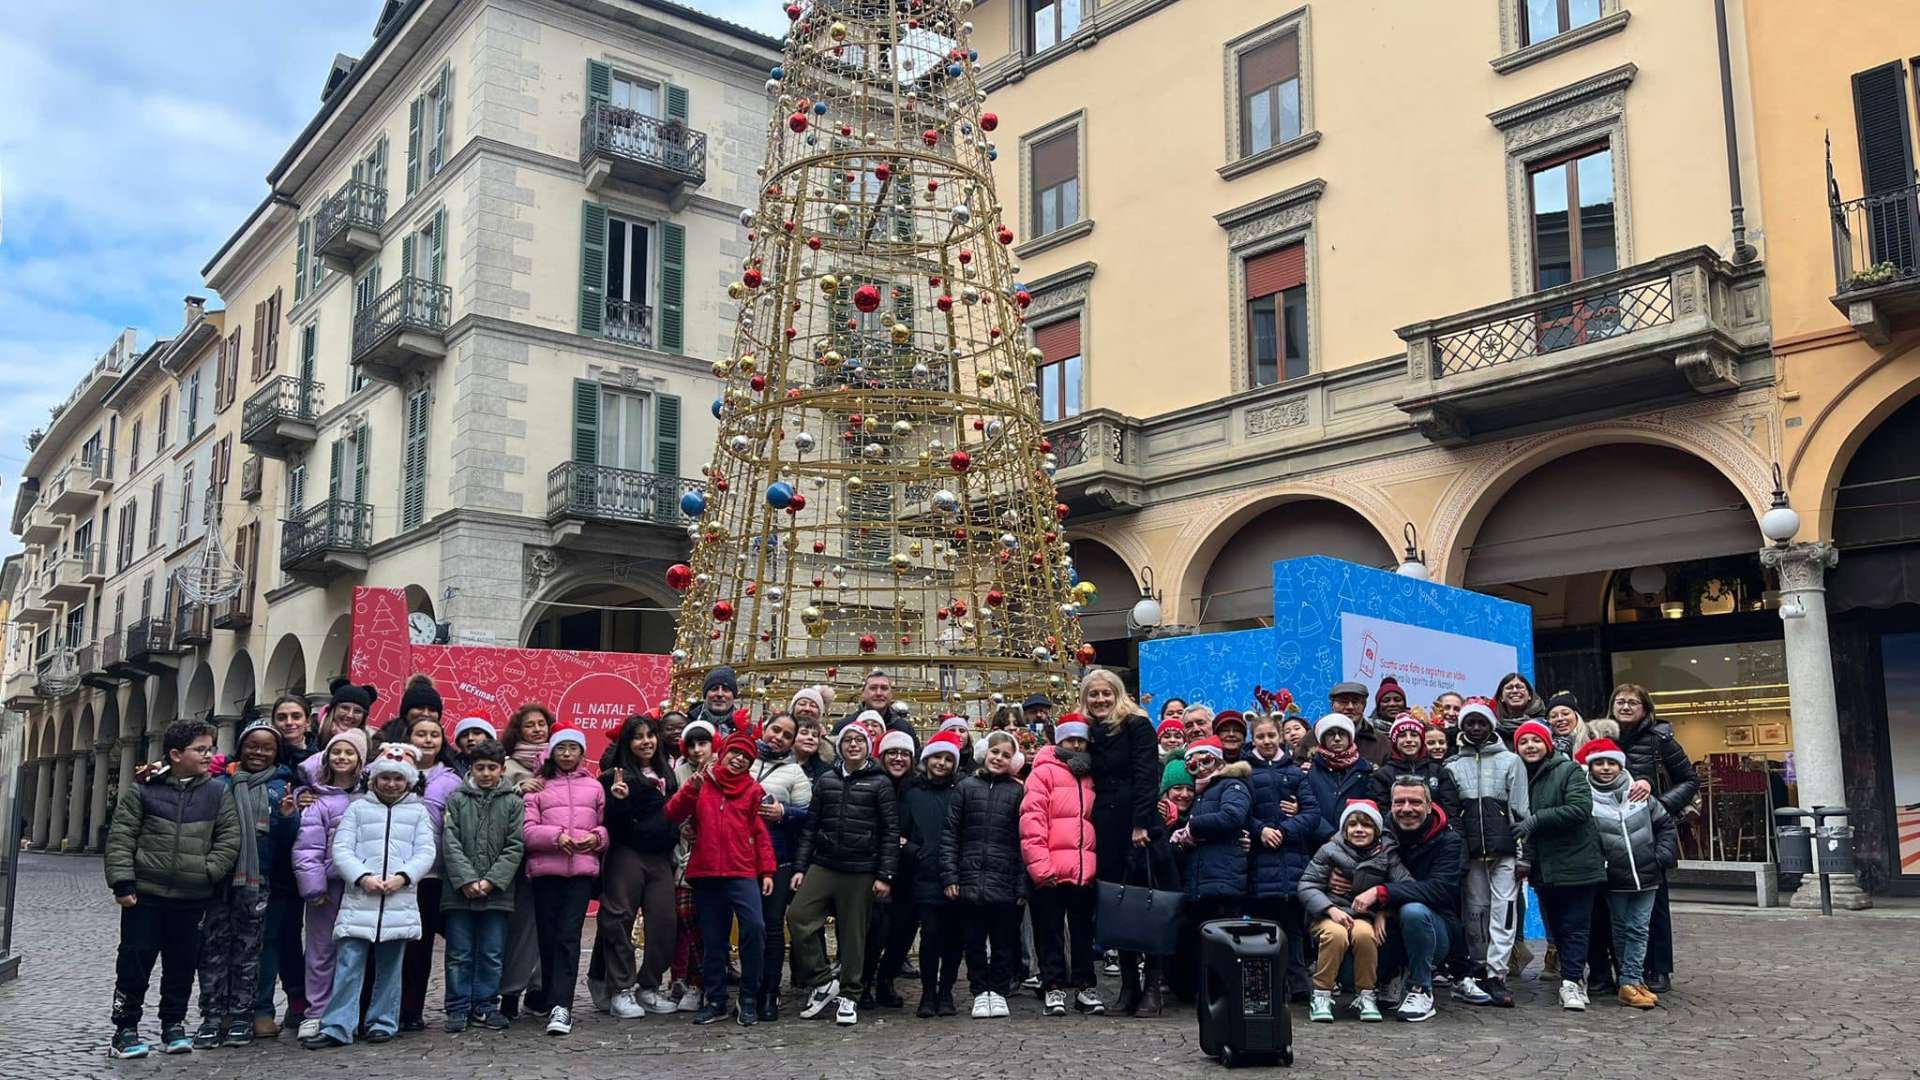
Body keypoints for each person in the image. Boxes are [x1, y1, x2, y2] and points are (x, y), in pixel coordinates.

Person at [104, 720, 242, 1059]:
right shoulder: (143, 790)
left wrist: (208, 872)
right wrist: (122, 881)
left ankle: (173, 1025)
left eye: (210, 748)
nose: (209, 755)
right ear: (176, 754)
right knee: (135, 962)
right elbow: (121, 837)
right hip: (145, 896)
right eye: (201, 749)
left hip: (192, 897)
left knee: (181, 965)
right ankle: (125, 1029)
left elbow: (229, 837)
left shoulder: (217, 792)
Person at [304, 745, 437, 1049]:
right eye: (385, 778)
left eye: (398, 779)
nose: (391, 784)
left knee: (391, 966)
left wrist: (403, 877)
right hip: (360, 899)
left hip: (397, 899)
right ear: (374, 780)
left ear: (408, 782)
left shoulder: (417, 812)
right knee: (349, 963)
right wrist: (362, 877)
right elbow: (342, 849)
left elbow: (425, 851)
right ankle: (338, 1025)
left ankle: (382, 1021)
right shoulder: (358, 809)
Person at [192, 719, 296, 1049]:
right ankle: (211, 1015)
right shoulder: (218, 784)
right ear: (241, 746)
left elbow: (287, 845)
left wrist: (289, 818)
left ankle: (241, 1014)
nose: (259, 752)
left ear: (277, 752)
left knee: (250, 950)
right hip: (220, 883)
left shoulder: (283, 787)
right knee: (214, 950)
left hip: (259, 881)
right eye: (253, 745)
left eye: (267, 747)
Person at [787, 720, 900, 1027]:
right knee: (798, 916)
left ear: (867, 747)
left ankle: (850, 994)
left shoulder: (880, 783)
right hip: (824, 863)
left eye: (859, 741)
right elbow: (811, 827)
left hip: (861, 868)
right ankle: (823, 980)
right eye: (847, 740)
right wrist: (800, 867)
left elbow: (891, 832)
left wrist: (885, 874)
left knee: (853, 936)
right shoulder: (826, 780)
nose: (853, 744)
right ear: (840, 746)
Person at [665, 730, 777, 1026]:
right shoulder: (702, 782)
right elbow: (673, 813)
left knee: (755, 928)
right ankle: (715, 999)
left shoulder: (753, 790)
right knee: (713, 940)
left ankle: (749, 996)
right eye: (735, 753)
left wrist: (767, 871)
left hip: (742, 872)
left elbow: (760, 833)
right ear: (723, 753)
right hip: (706, 872)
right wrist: (691, 788)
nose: (740, 760)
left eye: (747, 757)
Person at [1082, 667, 1165, 1016]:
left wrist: (1141, 824)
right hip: (1105, 826)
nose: (1100, 699)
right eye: (1093, 694)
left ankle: (1153, 988)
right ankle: (1128, 986)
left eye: (1106, 693)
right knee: (1118, 907)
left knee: (1148, 905)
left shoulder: (1137, 725)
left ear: (1118, 695)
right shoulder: (1087, 732)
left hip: (1137, 824)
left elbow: (1147, 775)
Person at [1608, 682, 1697, 994]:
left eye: (1633, 702)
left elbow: (1689, 779)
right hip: (1611, 831)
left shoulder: (1661, 739)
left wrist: (1659, 804)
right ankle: (1624, 969)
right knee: (1615, 905)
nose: (1626, 707)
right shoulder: (1603, 738)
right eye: (1620, 701)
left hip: (1649, 831)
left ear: (1645, 708)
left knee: (1654, 904)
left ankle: (1658, 968)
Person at [1511, 719, 1604, 1012]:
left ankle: (1572, 982)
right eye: (1523, 742)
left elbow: (1579, 808)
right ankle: (1573, 978)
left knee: (1575, 926)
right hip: (1544, 869)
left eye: (1535, 740)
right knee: (1558, 929)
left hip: (1576, 863)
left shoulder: (1568, 770)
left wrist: (1537, 820)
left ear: (1547, 743)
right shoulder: (1518, 776)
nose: (1530, 746)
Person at [932, 728, 1024, 1020]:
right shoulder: (965, 787)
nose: (999, 758)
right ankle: (979, 989)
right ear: (986, 753)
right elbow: (950, 835)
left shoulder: (1018, 791)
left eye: (1006, 755)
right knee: (973, 941)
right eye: (995, 752)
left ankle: (998, 990)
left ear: (1013, 760)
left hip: (1004, 879)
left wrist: (1022, 885)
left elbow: (1024, 840)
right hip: (969, 877)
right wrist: (950, 876)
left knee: (1003, 941)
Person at [595, 712, 681, 1019]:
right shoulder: (613, 777)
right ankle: (621, 989)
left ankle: (649, 986)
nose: (645, 742)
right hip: (627, 853)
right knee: (618, 919)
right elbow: (609, 824)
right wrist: (619, 801)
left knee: (664, 922)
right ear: (627, 742)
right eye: (637, 736)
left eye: (649, 735)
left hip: (660, 858)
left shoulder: (668, 774)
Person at [523, 727, 608, 1036]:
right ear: (553, 752)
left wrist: (595, 838)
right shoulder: (538, 786)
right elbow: (527, 830)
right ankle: (548, 994)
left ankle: (563, 1005)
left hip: (581, 874)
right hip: (547, 871)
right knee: (547, 936)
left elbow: (604, 828)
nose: (568, 754)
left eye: (574, 748)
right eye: (562, 748)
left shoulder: (594, 787)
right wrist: (556, 838)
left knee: (568, 937)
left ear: (582, 753)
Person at [1581, 737, 1678, 1009]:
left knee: (1639, 928)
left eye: (1611, 762)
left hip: (1647, 875)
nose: (1606, 768)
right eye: (1599, 763)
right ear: (1590, 767)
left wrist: (1660, 857)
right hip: (1615, 878)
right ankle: (1630, 981)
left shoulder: (1639, 793)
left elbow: (1665, 825)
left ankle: (1630, 980)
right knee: (1622, 929)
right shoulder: (1587, 800)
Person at [1444, 698, 1529, 1008]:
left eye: (1482, 722)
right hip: (1472, 852)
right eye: (1470, 722)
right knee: (1475, 913)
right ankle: (1479, 968)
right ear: (1462, 726)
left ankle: (1497, 974)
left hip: (1504, 851)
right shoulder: (1452, 764)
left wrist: (1524, 855)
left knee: (1503, 912)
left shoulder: (1511, 761)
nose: (1476, 728)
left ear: (1491, 725)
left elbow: (1521, 811)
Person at [440, 737, 525, 1032]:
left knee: (491, 952)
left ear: (502, 769)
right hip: (458, 893)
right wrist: (466, 880)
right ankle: (457, 1006)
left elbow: (515, 846)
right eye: (480, 768)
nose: (486, 773)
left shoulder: (513, 802)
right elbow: (450, 842)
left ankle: (486, 1005)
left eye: (492, 768)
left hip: (497, 893)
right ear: (471, 769)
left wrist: (491, 881)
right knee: (459, 953)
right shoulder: (457, 799)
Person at [1297, 800, 1407, 1023]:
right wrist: (1329, 909)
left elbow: (1405, 885)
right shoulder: (1329, 850)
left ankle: (1366, 993)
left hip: (1362, 915)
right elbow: (1307, 885)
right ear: (1344, 829)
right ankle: (1321, 993)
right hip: (1328, 914)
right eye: (1353, 825)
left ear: (1376, 829)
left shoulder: (1386, 854)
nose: (1359, 830)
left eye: (1366, 826)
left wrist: (1384, 912)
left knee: (1365, 935)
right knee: (1335, 935)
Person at [1021, 716, 1102, 1017]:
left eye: (1081, 740)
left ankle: (1085, 986)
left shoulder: (1092, 774)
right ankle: (1053, 984)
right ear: (1060, 741)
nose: (1077, 745)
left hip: (1085, 870)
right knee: (1049, 931)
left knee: (1083, 932)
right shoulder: (1043, 773)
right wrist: (1040, 867)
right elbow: (1033, 821)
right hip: (1051, 869)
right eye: (1071, 740)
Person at [291, 729, 366, 1041]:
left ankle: (346, 1010)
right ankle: (317, 1010)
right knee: (321, 950)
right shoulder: (318, 801)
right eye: (337, 752)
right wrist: (314, 887)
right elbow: (307, 848)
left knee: (354, 951)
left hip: (362, 886)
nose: (343, 758)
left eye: (350, 753)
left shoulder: (370, 797)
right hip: (328, 886)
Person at [393, 687, 461, 1032]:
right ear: (409, 737)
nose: (428, 739)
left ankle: (411, 1010)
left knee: (420, 946)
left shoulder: (450, 779)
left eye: (434, 734)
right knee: (393, 944)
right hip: (393, 869)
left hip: (433, 872)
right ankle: (384, 1007)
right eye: (421, 734)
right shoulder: (389, 770)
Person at [1372, 777, 1465, 1023]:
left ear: (1429, 805)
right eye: (1399, 802)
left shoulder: (1449, 840)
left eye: (1415, 802)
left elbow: (1440, 889)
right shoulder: (1375, 833)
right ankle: (1388, 975)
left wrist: (1383, 894)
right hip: (1381, 925)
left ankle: (1421, 988)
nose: (1406, 809)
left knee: (1413, 911)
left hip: (1435, 929)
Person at [258, 697, 316, 1039]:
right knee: (282, 935)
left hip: (314, 857)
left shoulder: (321, 755)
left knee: (322, 938)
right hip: (279, 861)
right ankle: (293, 998)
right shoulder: (267, 756)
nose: (289, 722)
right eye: (282, 716)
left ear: (307, 721)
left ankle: (311, 999)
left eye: (296, 716)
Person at [748, 711, 813, 1020]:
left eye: (788, 735)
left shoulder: (796, 773)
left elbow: (810, 815)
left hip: (777, 859)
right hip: (738, 857)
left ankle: (769, 993)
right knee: (748, 926)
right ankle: (747, 991)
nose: (780, 738)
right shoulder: (742, 758)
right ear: (765, 728)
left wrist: (784, 812)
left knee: (772, 927)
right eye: (776, 730)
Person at [903, 732, 966, 1016]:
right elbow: (900, 831)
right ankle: (928, 992)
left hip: (955, 872)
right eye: (937, 757)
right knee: (930, 935)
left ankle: (946, 991)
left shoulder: (961, 790)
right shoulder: (912, 791)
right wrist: (916, 852)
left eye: (948, 759)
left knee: (954, 938)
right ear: (927, 760)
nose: (941, 763)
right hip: (925, 873)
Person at [497, 702, 552, 1020]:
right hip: (517, 861)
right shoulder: (506, 766)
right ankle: (509, 991)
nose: (536, 729)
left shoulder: (558, 763)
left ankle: (539, 990)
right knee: (521, 931)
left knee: (548, 929)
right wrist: (518, 790)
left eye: (541, 724)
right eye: (530, 725)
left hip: (552, 859)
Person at [862, 729, 920, 1009]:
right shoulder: (871, 782)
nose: (898, 759)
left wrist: (908, 845)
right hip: (876, 868)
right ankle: (864, 981)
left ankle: (886, 979)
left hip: (908, 869)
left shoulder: (917, 788)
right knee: (876, 929)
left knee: (904, 930)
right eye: (892, 753)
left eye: (904, 754)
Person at [669, 719, 718, 1011]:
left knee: (709, 921)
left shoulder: (724, 770)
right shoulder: (679, 773)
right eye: (693, 745)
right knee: (687, 916)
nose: (698, 750)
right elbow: (673, 808)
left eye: (703, 743)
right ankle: (687, 979)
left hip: (714, 856)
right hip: (685, 855)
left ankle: (703, 983)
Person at [1371, 714, 1462, 820]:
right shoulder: (1383, 775)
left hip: (1436, 833)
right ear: (1395, 741)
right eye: (1402, 736)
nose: (1409, 740)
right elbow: (1382, 812)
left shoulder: (1438, 772)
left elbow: (1451, 812)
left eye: (1414, 735)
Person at [1304, 714, 1375, 842]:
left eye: (1342, 733)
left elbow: (1373, 807)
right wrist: (1328, 834)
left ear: (1349, 737)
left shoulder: (1366, 770)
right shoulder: (1309, 772)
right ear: (1323, 739)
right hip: (1318, 843)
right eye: (1330, 734)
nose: (1337, 738)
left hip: (1357, 841)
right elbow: (1307, 807)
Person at [1364, 677, 1409, 761]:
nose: (1392, 704)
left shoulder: (1415, 729)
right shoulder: (1367, 730)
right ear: (1378, 707)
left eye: (1397, 700)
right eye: (1386, 700)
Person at [1492, 672, 1545, 742]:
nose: (1515, 691)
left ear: (1530, 695)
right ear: (1501, 697)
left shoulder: (1544, 724)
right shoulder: (1492, 728)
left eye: (1520, 687)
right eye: (1509, 688)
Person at [691, 666, 740, 734]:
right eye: (714, 689)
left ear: (733, 696)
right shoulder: (688, 722)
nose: (720, 694)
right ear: (705, 695)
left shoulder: (745, 730)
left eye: (726, 689)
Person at [1544, 692, 1591, 758]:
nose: (1560, 719)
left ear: (1576, 716)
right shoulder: (1544, 748)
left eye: (1565, 714)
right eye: (1554, 716)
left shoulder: (1593, 737)